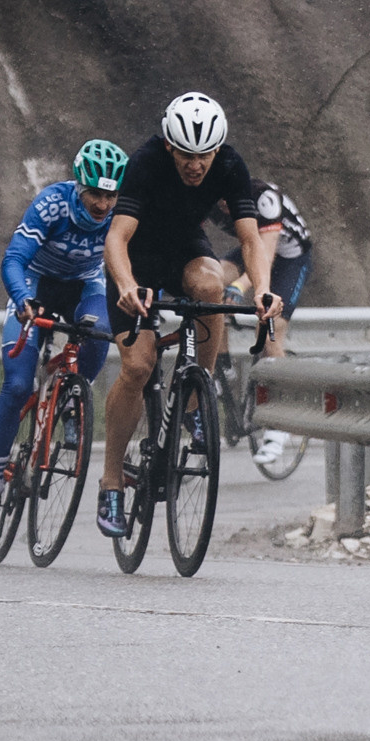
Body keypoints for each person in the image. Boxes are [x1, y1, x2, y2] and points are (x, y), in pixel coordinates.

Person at [97, 92, 283, 538]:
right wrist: (126, 286)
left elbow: (251, 239)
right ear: (169, 146)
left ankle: (196, 395)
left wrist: (262, 288)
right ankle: (110, 483)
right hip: (137, 260)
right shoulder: (146, 162)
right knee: (138, 366)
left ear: (217, 149)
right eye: (185, 155)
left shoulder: (230, 165)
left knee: (211, 284)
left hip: (184, 250)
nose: (196, 165)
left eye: (205, 155)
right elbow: (117, 238)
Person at [0, 139, 128, 531]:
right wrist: (22, 298)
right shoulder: (52, 203)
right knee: (18, 385)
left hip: (85, 285)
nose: (103, 204)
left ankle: (73, 398)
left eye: (111, 195)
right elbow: (14, 258)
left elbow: (139, 262)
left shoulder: (122, 212)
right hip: (35, 283)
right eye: (95, 194)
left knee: (100, 330)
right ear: (79, 186)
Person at [211, 178, 311, 470]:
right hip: (252, 249)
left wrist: (240, 286)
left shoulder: (264, 199)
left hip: (289, 257)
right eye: (220, 202)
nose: (225, 207)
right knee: (210, 283)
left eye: (230, 202)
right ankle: (223, 369)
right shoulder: (207, 199)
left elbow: (265, 256)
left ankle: (280, 422)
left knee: (269, 331)